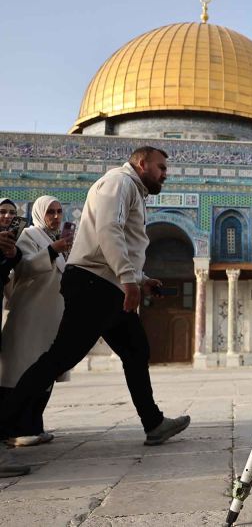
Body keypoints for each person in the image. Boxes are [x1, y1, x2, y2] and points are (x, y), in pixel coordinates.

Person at [0, 147, 190, 446]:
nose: (165, 173)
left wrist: (140, 278)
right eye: (160, 167)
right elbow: (108, 230)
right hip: (95, 285)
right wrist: (129, 280)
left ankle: (153, 423)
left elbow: (120, 242)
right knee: (60, 357)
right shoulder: (119, 182)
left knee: (135, 350)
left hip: (106, 283)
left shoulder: (133, 189)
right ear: (141, 163)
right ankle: (4, 422)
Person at [1, 196, 73, 447]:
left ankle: (34, 425)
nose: (55, 216)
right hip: (30, 313)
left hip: (51, 315)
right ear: (39, 213)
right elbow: (24, 268)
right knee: (19, 372)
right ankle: (13, 430)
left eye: (59, 211)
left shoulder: (56, 241)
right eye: (50, 211)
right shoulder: (28, 236)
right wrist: (53, 251)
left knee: (44, 373)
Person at [0, 198, 31, 477]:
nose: (8, 216)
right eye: (2, 212)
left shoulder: (12, 247)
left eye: (12, 213)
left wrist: (10, 254)